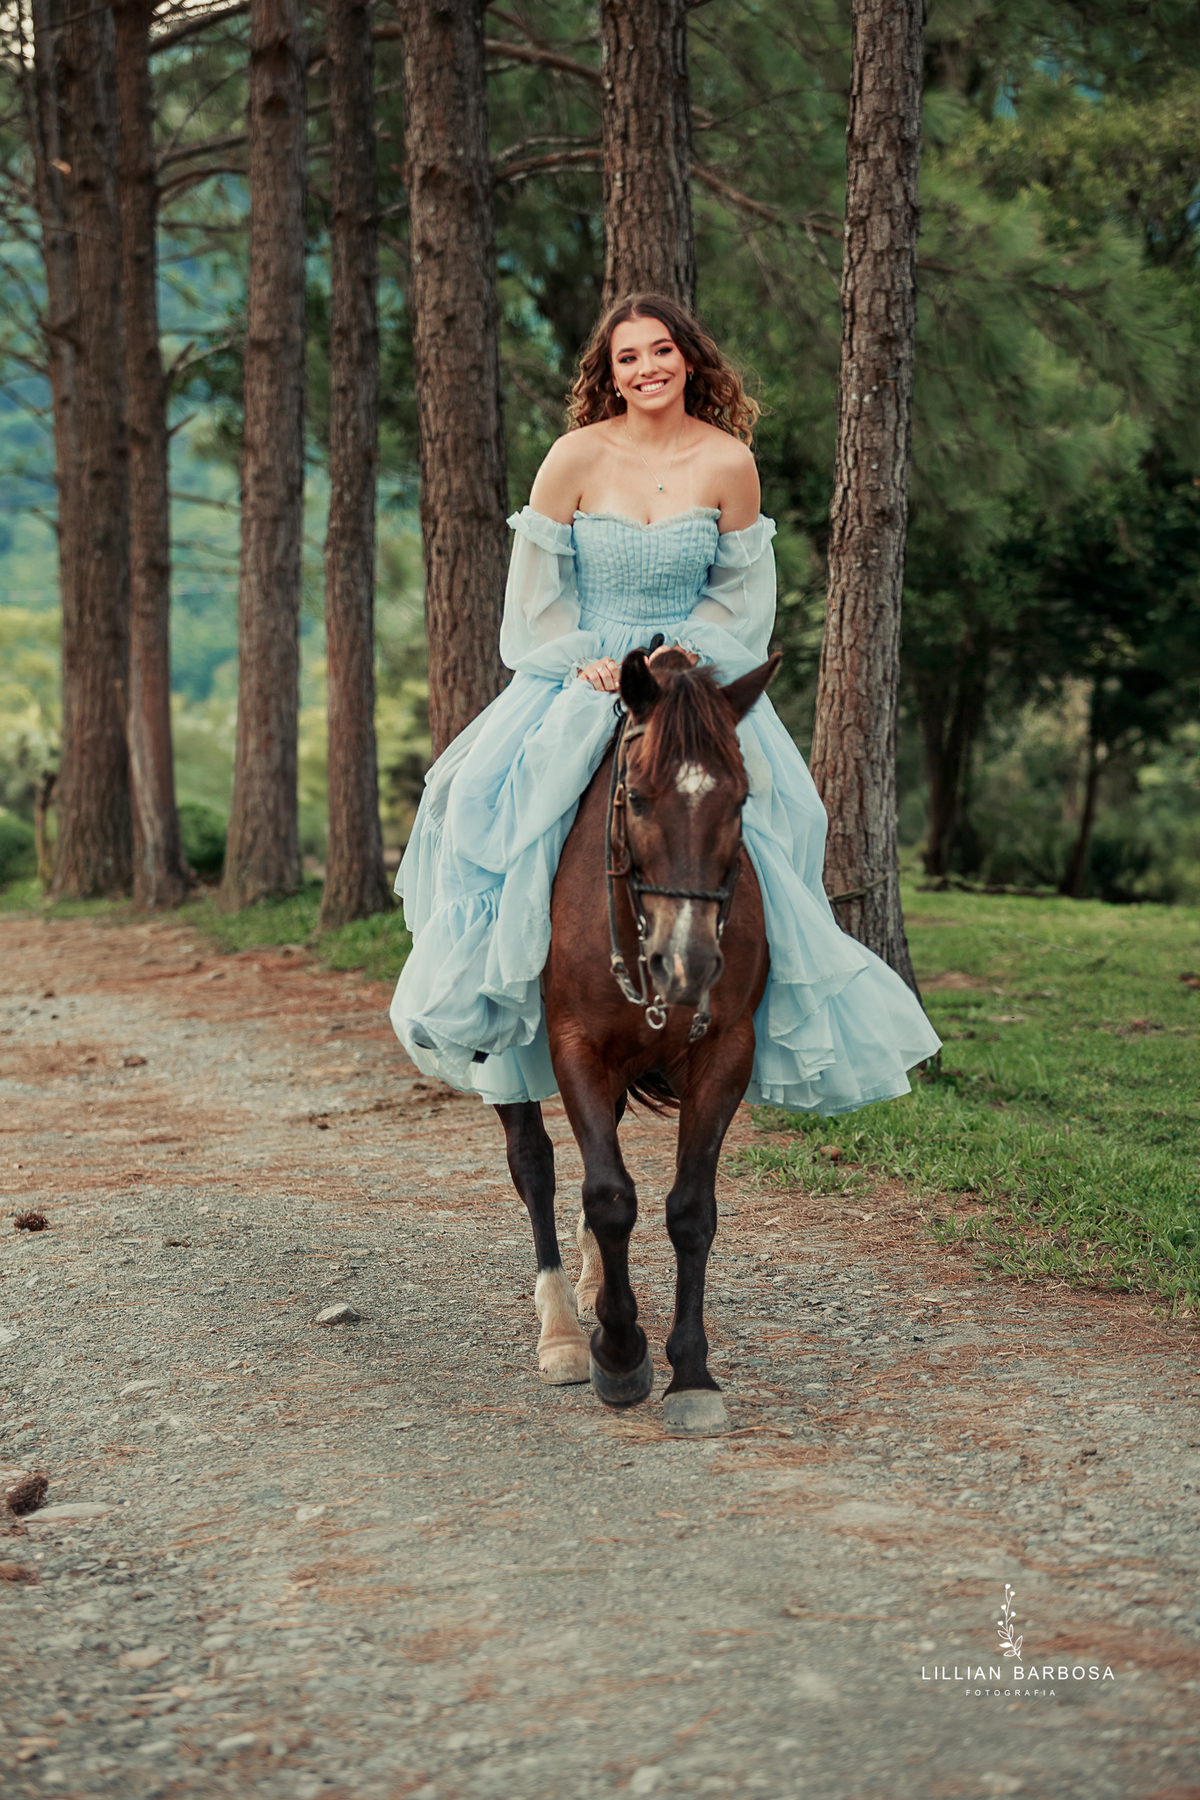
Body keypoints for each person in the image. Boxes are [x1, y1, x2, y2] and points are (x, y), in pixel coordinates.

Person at [390, 293, 940, 1113]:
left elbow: (741, 604)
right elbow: (534, 603)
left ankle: (745, 998)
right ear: (608, 374)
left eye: (659, 352)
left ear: (689, 359)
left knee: (787, 816)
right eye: (627, 357)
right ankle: (490, 989)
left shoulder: (729, 462)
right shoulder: (573, 456)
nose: (646, 369)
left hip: (688, 676)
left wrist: (683, 658)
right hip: (582, 673)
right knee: (479, 799)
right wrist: (591, 663)